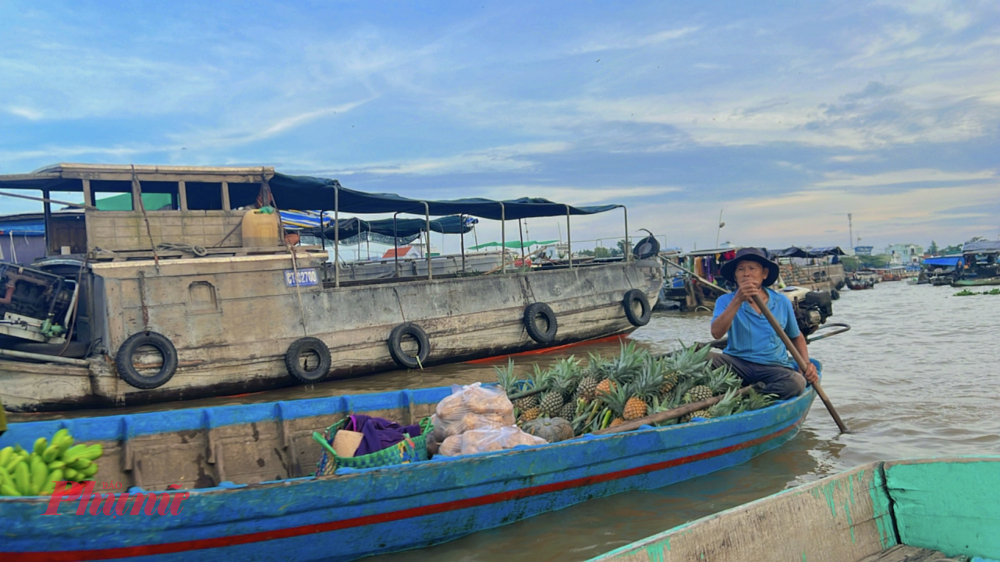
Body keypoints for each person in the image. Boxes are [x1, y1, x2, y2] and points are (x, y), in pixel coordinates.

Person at [709, 247, 819, 399]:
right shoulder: (725, 301)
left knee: (796, 382)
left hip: (773, 367)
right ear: (735, 275)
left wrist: (805, 364)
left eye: (752, 268)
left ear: (764, 274)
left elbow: (796, 336)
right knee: (704, 359)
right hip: (738, 364)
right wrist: (737, 300)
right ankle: (746, 393)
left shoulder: (781, 302)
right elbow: (716, 333)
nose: (746, 273)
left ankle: (748, 396)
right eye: (740, 269)